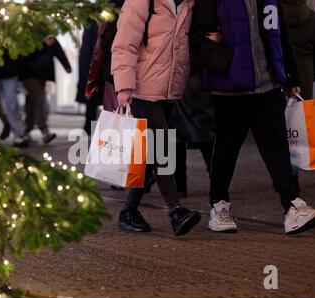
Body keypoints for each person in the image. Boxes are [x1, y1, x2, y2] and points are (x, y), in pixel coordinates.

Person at [192, 0, 315, 234]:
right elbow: (196, 37)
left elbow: (280, 35)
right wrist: (224, 61)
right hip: (230, 89)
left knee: (277, 150)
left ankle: (292, 205)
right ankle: (219, 205)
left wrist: (290, 76)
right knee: (226, 149)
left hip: (268, 86)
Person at [112, 0, 200, 236]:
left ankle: (129, 212)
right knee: (161, 145)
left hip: (168, 89)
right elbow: (124, 44)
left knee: (151, 154)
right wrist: (124, 87)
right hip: (141, 88)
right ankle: (175, 211)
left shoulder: (188, 3)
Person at [170, 65, 215, 198]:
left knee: (175, 138)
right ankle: (218, 187)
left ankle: (179, 188)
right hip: (197, 81)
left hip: (173, 80)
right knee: (205, 136)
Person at [20, 36, 72, 144]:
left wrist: (66, 66)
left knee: (32, 103)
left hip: (43, 76)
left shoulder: (49, 35)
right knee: (39, 100)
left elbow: (59, 51)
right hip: (28, 74)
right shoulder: (28, 32)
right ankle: (44, 131)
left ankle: (25, 132)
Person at [282, 0, 315, 100]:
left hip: (279, 78)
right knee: (303, 114)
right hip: (305, 78)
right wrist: (312, 74)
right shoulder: (314, 19)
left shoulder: (273, 19)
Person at [86, 0, 125, 114]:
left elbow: (99, 52)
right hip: (146, 80)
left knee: (115, 126)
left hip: (114, 78)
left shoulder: (110, 16)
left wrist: (91, 83)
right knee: (144, 127)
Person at [77, 20, 100, 136]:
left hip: (93, 66)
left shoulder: (91, 24)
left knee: (92, 100)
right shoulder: (92, 24)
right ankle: (90, 127)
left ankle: (90, 127)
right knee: (91, 100)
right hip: (92, 66)